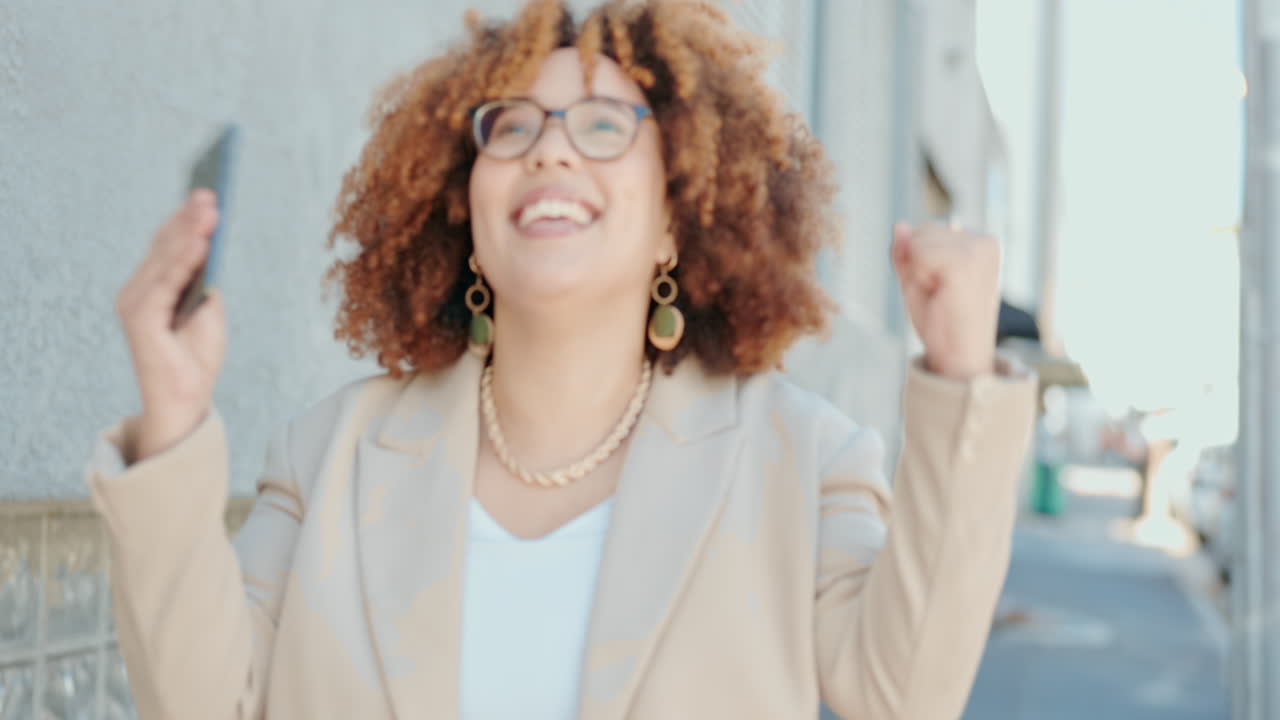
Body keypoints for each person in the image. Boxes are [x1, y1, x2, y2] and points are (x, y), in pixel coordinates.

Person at [87, 1, 1037, 718]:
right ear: (464, 205)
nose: (550, 152)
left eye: (603, 123)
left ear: (677, 215)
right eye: (512, 126)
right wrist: (171, 418)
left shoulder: (803, 458)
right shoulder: (327, 453)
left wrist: (959, 379)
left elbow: (901, 690)